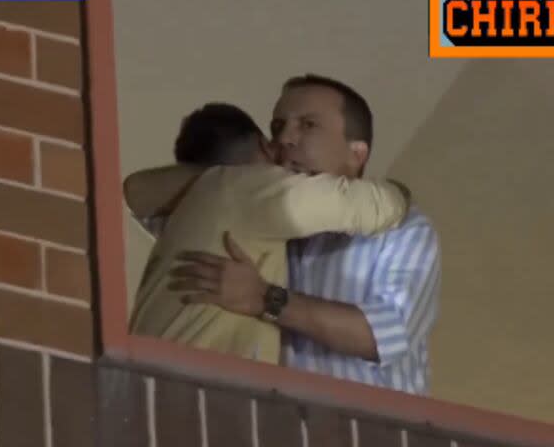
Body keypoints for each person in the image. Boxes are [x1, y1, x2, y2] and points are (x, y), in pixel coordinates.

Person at [123, 75, 441, 395]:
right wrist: (233, 177)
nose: (285, 139)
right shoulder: (252, 206)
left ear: (357, 153)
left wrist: (266, 299)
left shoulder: (402, 229)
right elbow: (140, 195)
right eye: (277, 127)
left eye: (308, 125)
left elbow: (386, 335)